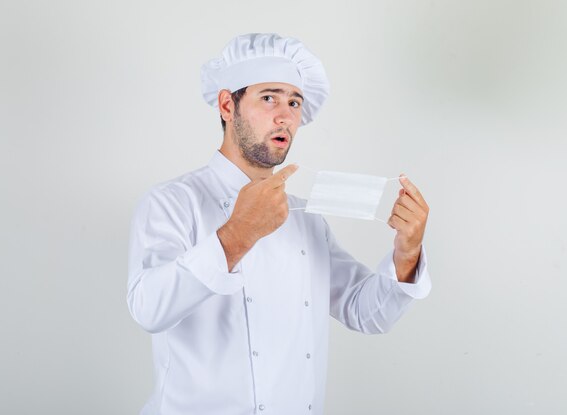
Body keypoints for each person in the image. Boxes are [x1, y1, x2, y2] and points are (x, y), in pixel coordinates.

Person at [127, 33, 432, 415]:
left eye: (294, 102)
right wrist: (236, 236)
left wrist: (407, 253)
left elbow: (365, 312)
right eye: (269, 97)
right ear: (227, 104)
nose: (285, 114)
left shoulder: (305, 218)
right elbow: (148, 309)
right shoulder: (173, 202)